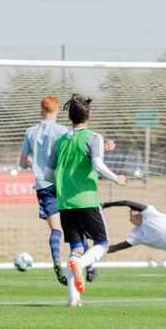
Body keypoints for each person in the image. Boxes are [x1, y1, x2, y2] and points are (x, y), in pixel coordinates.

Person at [19, 96, 106, 286]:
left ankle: (57, 261)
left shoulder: (30, 132)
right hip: (63, 185)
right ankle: (87, 264)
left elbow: (23, 162)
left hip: (43, 185)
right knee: (79, 228)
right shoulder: (63, 132)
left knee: (56, 229)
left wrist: (34, 163)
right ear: (58, 110)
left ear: (41, 109)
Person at [50, 94, 126, 306]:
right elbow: (97, 164)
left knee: (75, 248)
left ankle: (74, 299)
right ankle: (82, 264)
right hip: (87, 200)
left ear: (70, 116)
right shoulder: (93, 137)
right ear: (88, 115)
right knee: (102, 243)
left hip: (65, 203)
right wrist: (116, 178)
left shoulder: (61, 140)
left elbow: (50, 170)